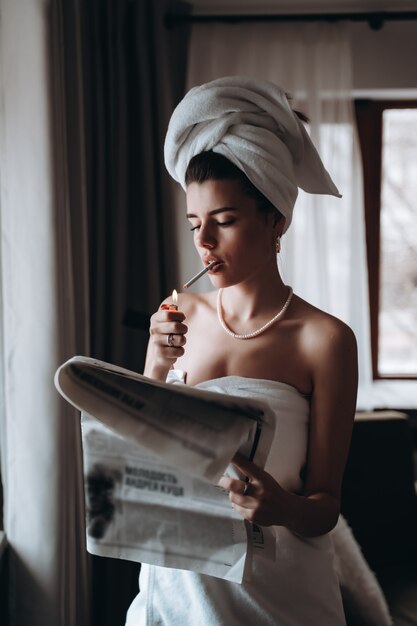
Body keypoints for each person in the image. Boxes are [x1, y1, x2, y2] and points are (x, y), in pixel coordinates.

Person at [125, 76, 358, 626]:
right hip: (176, 592)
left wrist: (284, 508)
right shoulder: (177, 314)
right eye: (194, 223)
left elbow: (325, 506)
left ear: (276, 219)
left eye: (224, 222)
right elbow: (142, 455)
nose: (204, 242)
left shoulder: (324, 340)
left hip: (279, 598)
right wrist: (155, 366)